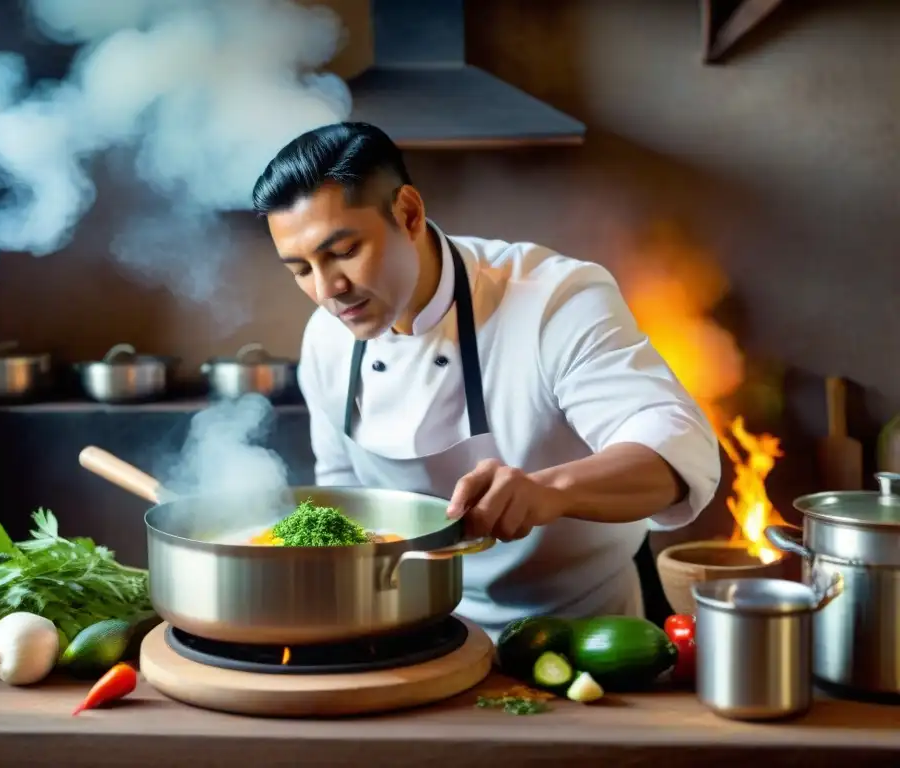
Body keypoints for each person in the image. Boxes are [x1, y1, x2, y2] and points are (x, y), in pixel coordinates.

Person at [251, 122, 721, 640]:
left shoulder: (553, 300)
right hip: (413, 631)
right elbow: (343, 492)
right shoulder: (326, 338)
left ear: (408, 213)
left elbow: (678, 449)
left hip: (582, 629)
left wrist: (551, 490)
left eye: (342, 252)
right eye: (300, 269)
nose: (327, 290)